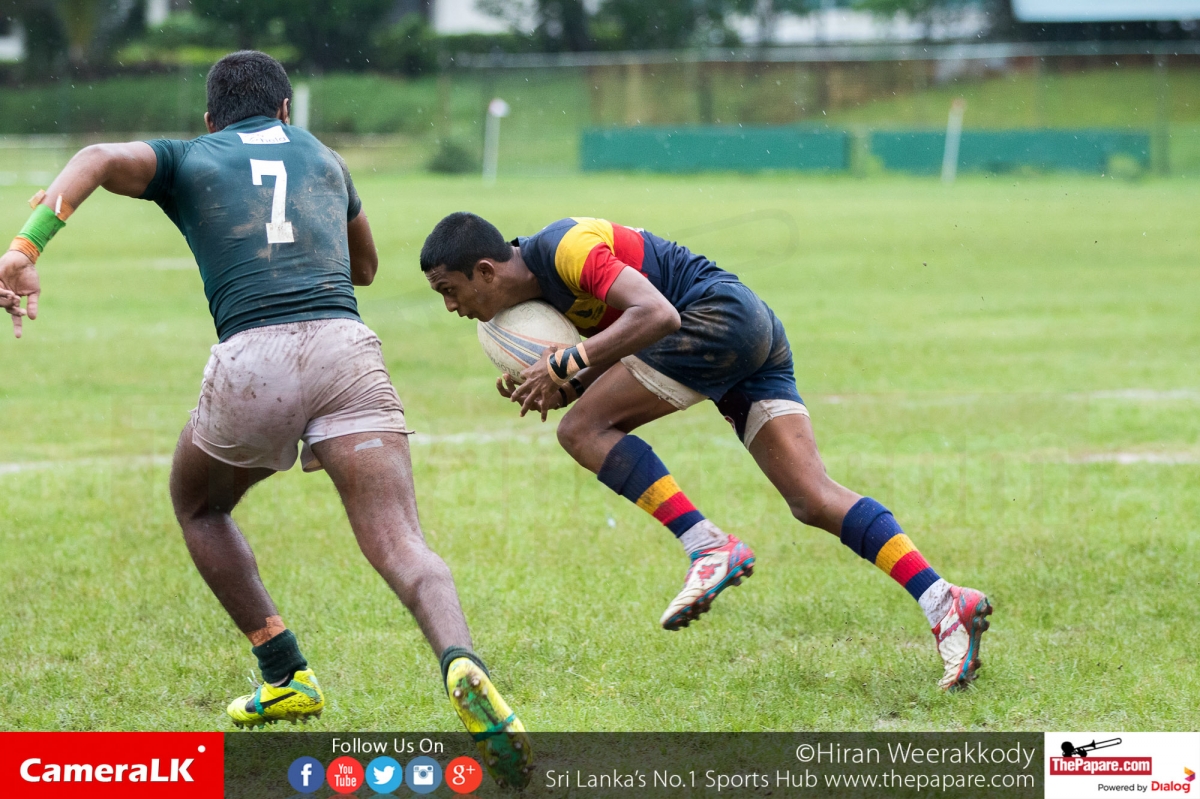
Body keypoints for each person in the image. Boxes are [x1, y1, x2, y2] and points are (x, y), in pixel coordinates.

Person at [0, 53, 531, 786]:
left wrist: (25, 247)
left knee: (198, 503)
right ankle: (461, 660)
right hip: (346, 348)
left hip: (255, 359)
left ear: (210, 118)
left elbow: (94, 158)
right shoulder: (325, 157)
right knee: (401, 541)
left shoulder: (191, 156)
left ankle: (284, 673)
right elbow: (365, 269)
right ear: (286, 110)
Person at [420, 213, 994, 691]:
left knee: (581, 432)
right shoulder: (537, 295)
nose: (450, 306)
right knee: (812, 498)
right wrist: (565, 381)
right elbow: (622, 350)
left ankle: (708, 546)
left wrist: (569, 364)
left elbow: (658, 315)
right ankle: (945, 602)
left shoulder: (565, 248)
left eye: (449, 290)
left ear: (486, 271)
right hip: (748, 328)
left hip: (714, 319)